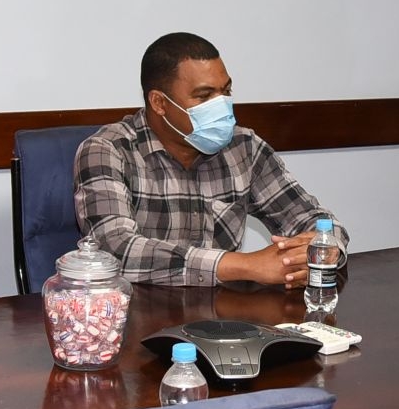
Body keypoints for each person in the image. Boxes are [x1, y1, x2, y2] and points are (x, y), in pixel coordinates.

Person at [74, 32, 340, 287]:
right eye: (204, 96)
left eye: (226, 91)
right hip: (140, 317)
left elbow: (312, 218)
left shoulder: (244, 147)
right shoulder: (108, 150)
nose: (221, 104)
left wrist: (324, 247)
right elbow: (114, 250)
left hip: (225, 320)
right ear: (159, 103)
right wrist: (244, 266)